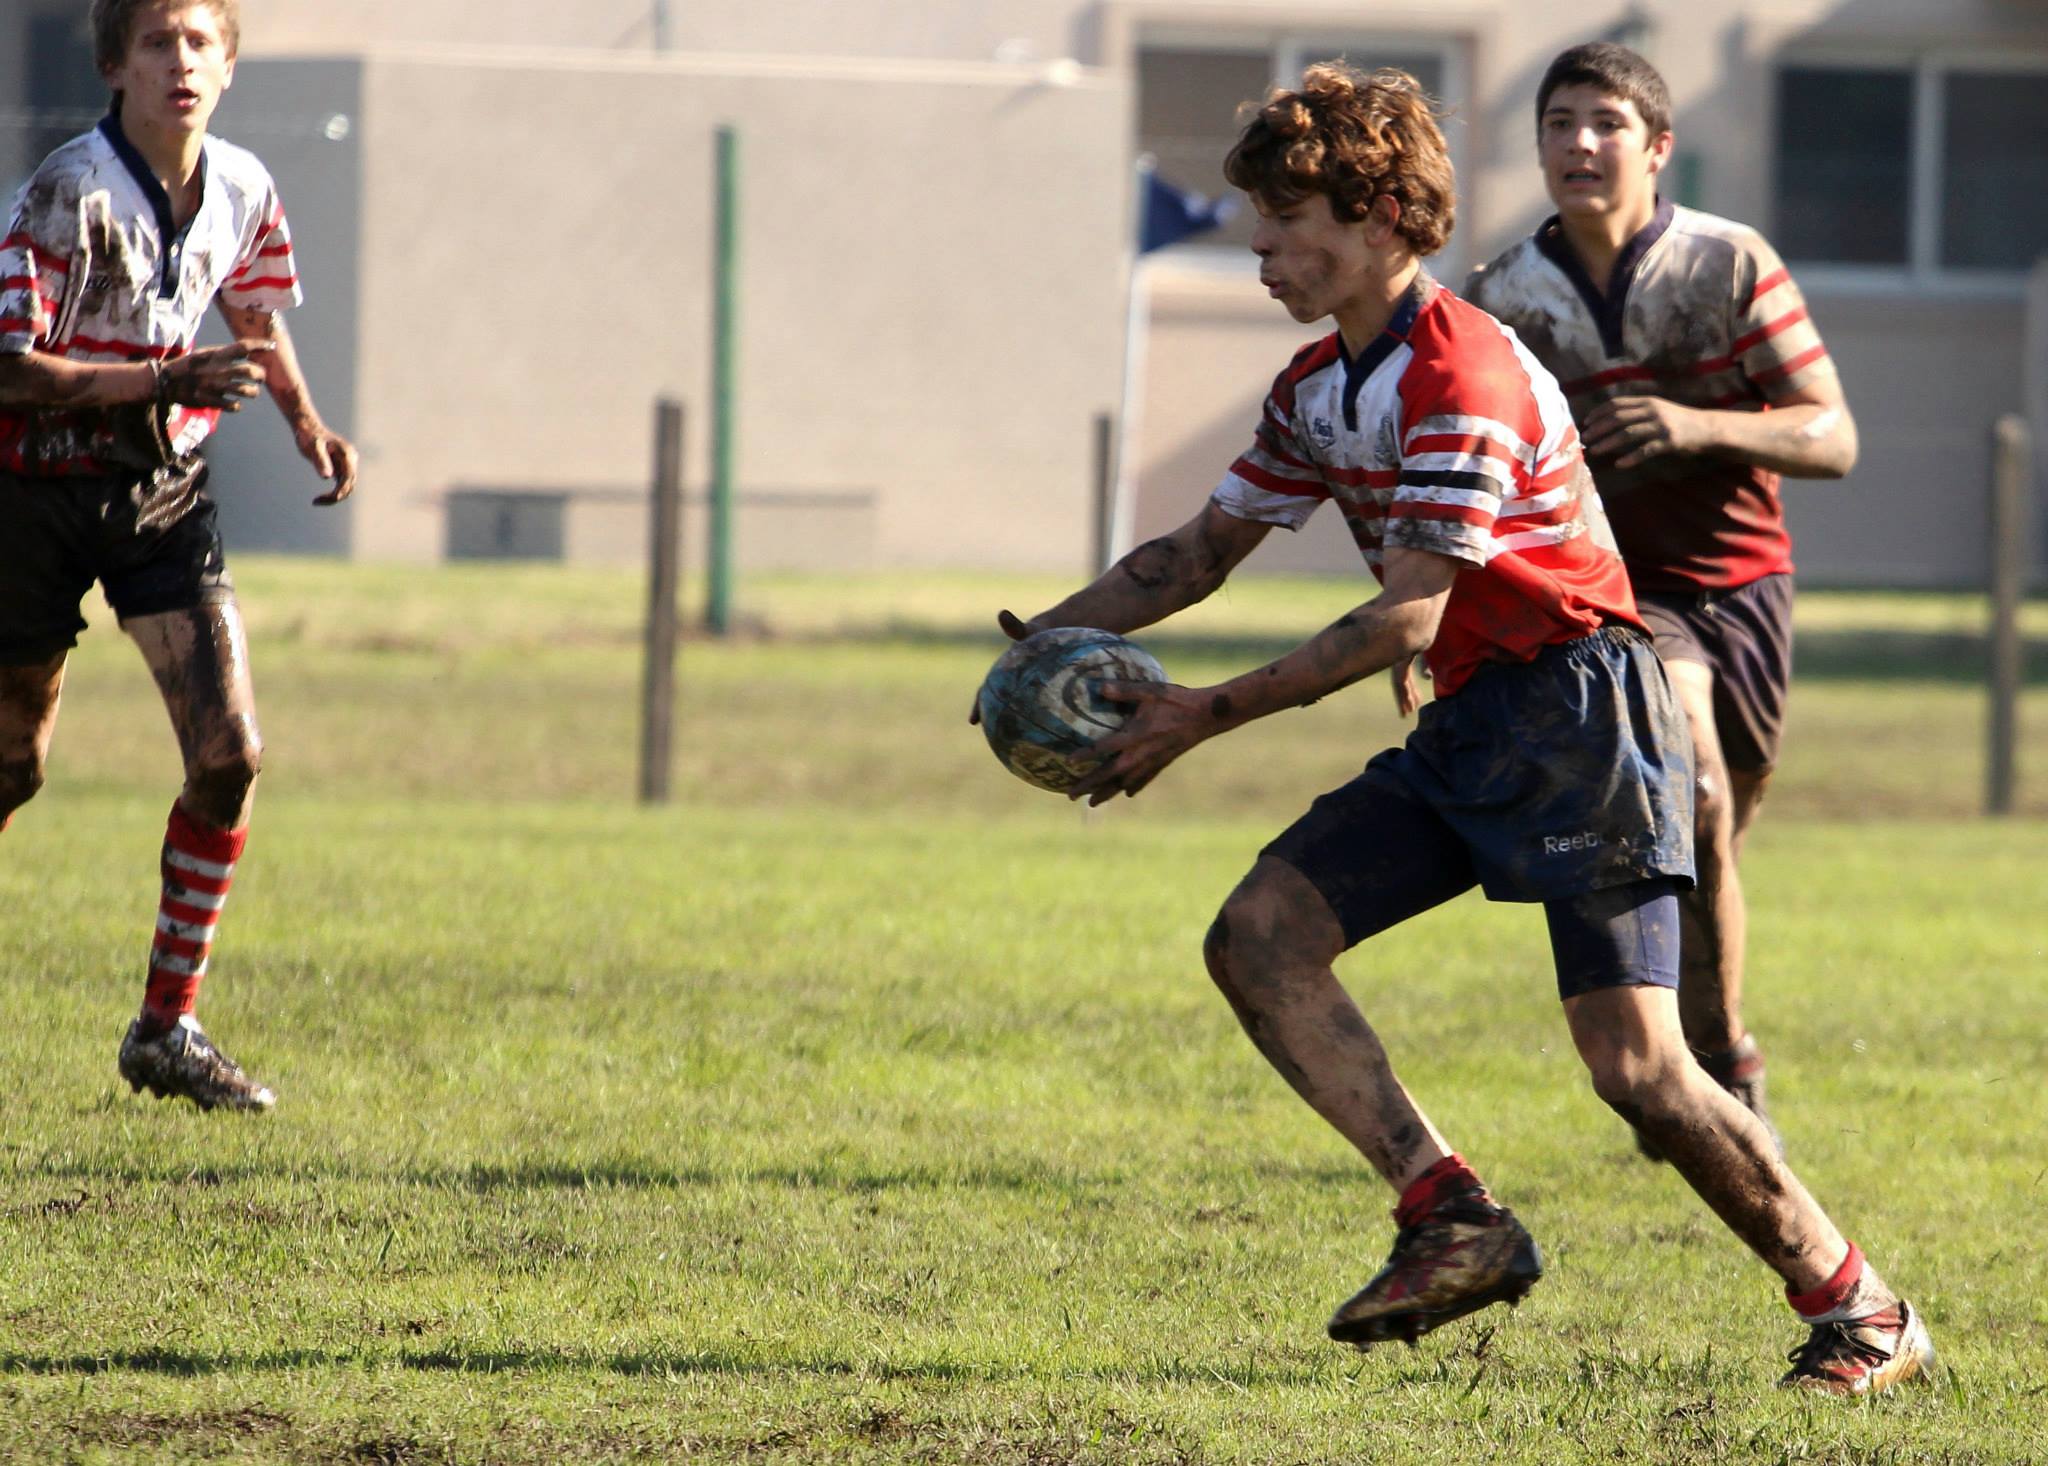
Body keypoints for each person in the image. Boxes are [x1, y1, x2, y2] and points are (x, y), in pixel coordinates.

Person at [985, 63, 1932, 1394]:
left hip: (1586, 716)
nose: (1258, 246)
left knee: (1641, 1071)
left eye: (1285, 220)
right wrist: (1032, 652)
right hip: (1478, 720)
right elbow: (1195, 552)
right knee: (1259, 937)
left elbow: (1407, 620)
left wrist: (1199, 714)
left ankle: (1865, 1309)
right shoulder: (1325, 381)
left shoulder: (1463, 370)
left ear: (1377, 218)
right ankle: (1453, 1215)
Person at [1463, 43, 1859, 1155]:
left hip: (1743, 584)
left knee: (1719, 827)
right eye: (1556, 123)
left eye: (1603, 123)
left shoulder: (1726, 265)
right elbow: (1467, 479)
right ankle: (1719, 1069)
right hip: (1620, 601)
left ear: (1655, 145)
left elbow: (1831, 433)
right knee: (1690, 801)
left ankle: (1703, 1050)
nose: (1578, 144)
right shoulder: (1500, 300)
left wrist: (1696, 426)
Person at [0, 0, 356, 1110]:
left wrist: (306, 421)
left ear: (230, 64)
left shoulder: (245, 188)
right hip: (34, 493)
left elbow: (253, 311)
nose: (181, 63)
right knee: (12, 768)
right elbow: (11, 371)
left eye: (201, 42)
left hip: (160, 489)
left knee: (232, 752)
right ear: (115, 64)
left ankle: (167, 1027)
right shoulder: (67, 190)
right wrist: (162, 381)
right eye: (157, 43)